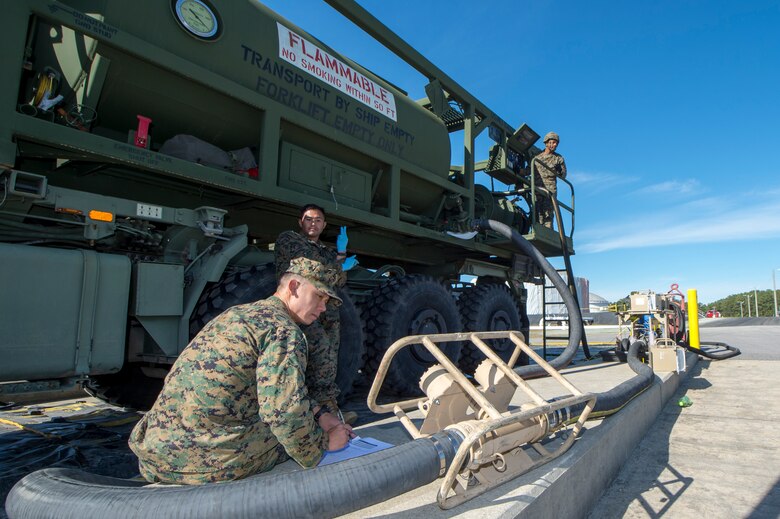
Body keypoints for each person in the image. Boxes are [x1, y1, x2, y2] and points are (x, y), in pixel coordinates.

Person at [128, 257, 354, 485]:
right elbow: (284, 413)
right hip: (196, 464)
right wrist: (324, 444)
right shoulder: (283, 331)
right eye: (319, 296)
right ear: (294, 287)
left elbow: (260, 386)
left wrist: (318, 414)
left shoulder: (237, 315)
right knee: (289, 438)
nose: (323, 307)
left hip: (154, 452)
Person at [274, 204, 357, 424]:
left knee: (328, 361)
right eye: (308, 219)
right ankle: (316, 415)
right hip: (301, 311)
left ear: (324, 224)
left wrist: (340, 254)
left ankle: (328, 413)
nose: (313, 223)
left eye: (318, 220)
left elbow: (339, 280)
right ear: (300, 222)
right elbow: (311, 268)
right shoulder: (290, 240)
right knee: (319, 359)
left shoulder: (326, 251)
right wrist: (338, 266)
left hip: (326, 313)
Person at [532, 131, 567, 228]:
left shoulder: (558, 159)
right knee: (537, 215)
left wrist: (559, 171)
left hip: (550, 191)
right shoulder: (537, 157)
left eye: (556, 143)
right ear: (546, 143)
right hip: (537, 190)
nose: (554, 145)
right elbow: (527, 170)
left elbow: (563, 175)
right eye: (552, 142)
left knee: (548, 217)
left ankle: (547, 234)